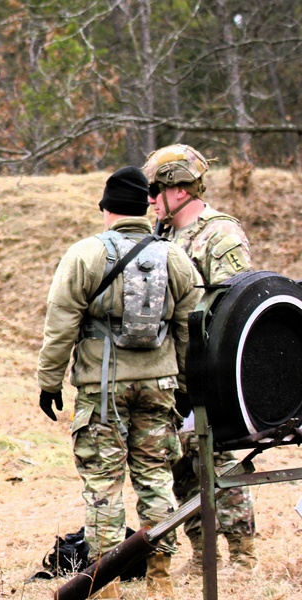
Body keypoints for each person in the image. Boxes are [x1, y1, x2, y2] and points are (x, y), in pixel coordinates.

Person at [36, 166, 202, 599]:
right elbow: (189, 327)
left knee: (103, 484)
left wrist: (49, 382)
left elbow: (61, 323)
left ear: (107, 209)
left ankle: (104, 584)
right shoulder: (174, 257)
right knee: (155, 478)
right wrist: (185, 384)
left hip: (103, 389)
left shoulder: (86, 255)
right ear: (146, 208)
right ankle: (160, 574)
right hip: (159, 386)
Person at [142, 143, 257, 572]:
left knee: (220, 458)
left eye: (156, 190)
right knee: (182, 462)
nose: (150, 200)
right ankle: (200, 551)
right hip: (174, 369)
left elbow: (237, 307)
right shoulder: (163, 237)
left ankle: (242, 554)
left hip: (211, 367)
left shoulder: (219, 234)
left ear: (179, 189)